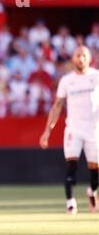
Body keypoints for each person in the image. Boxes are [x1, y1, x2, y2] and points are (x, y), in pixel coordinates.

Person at [40, 46, 99, 214]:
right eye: (78, 55)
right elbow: (57, 106)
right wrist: (47, 131)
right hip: (74, 129)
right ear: (73, 58)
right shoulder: (67, 80)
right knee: (71, 166)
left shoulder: (96, 77)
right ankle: (70, 203)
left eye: (84, 55)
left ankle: (91, 191)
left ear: (89, 58)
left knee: (95, 172)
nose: (81, 58)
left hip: (94, 130)